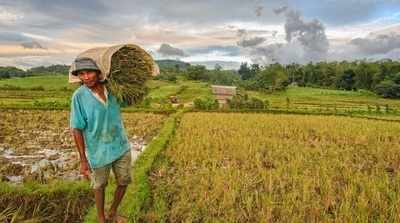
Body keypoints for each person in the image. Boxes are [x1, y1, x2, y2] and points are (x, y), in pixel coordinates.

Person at [70, 57, 131, 223]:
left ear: (98, 73)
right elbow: (76, 128)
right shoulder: (79, 96)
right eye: (81, 74)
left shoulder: (114, 89)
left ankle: (112, 211)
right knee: (99, 186)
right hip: (98, 150)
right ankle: (101, 218)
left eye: (89, 72)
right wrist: (83, 160)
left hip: (121, 145)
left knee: (124, 180)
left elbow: (130, 99)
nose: (86, 77)